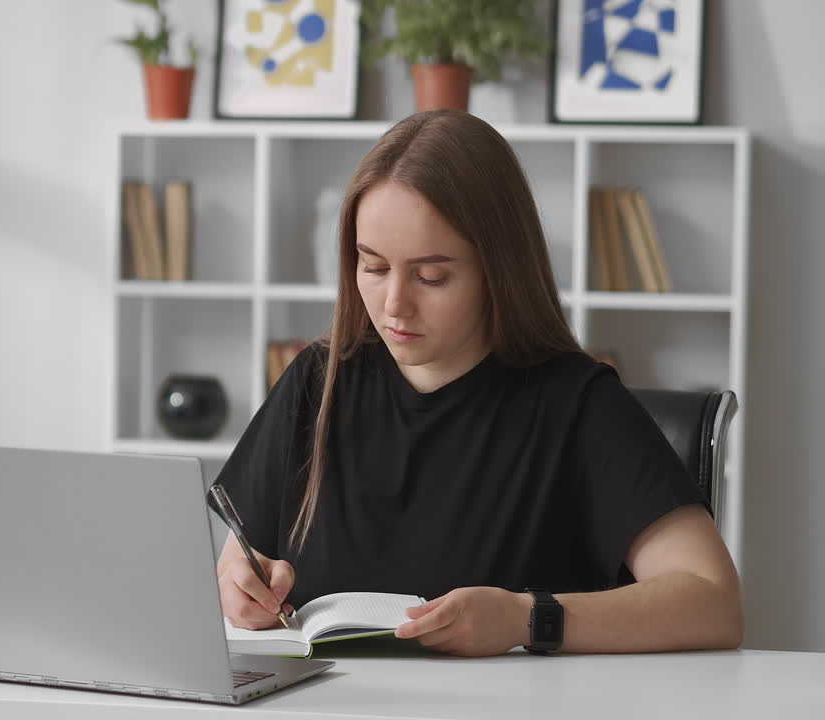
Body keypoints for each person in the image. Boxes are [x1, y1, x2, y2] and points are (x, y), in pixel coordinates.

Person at [213, 110, 743, 657]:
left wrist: (526, 618)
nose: (395, 304)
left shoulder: (578, 404)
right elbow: (239, 564)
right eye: (372, 267)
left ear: (499, 268)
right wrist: (240, 587)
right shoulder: (317, 383)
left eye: (431, 276)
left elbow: (713, 601)